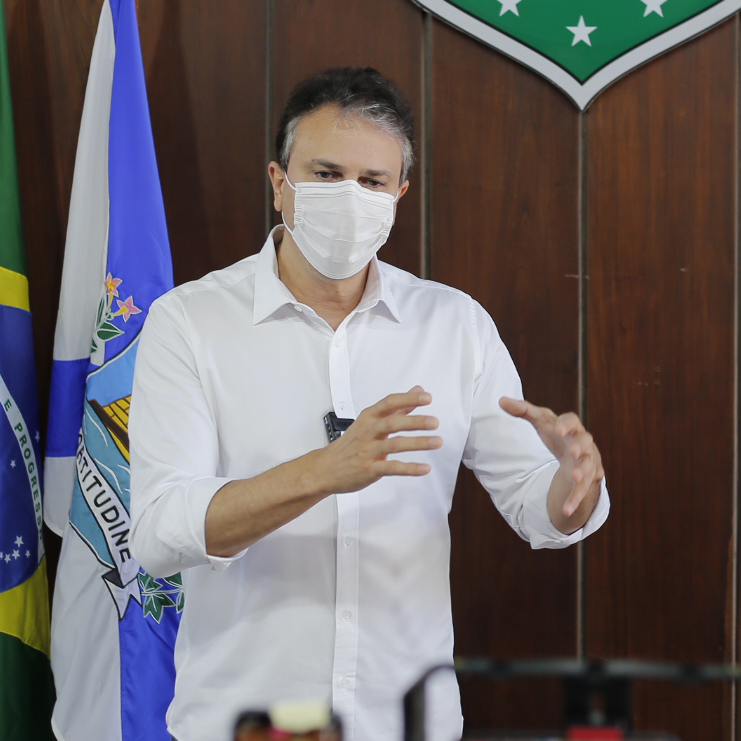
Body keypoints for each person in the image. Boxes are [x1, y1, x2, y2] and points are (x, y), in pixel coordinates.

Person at [128, 67, 610, 741]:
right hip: (246, 722)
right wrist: (325, 470)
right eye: (325, 174)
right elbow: (156, 533)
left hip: (408, 721)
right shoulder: (189, 321)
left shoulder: (453, 324)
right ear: (278, 182)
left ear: (399, 194)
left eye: (372, 181)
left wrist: (573, 488)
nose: (349, 197)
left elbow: (541, 508)